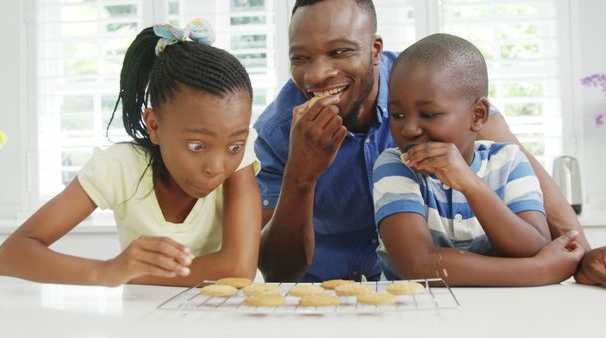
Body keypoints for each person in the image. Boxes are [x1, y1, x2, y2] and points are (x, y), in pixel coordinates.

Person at [254, 0, 606, 285]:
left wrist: (581, 256)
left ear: (375, 49)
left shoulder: (424, 83)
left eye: (339, 52)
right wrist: (300, 175)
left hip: (442, 293)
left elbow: (523, 167)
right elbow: (277, 271)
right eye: (300, 58)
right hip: (327, 294)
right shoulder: (279, 129)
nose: (317, 74)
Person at [0, 21, 261, 287]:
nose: (216, 166)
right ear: (154, 126)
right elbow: (10, 255)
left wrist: (135, 274)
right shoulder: (120, 168)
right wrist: (108, 271)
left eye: (234, 147)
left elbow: (238, 269)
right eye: (196, 146)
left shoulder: (239, 155)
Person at [374, 33, 582, 286]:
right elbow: (417, 265)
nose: (409, 129)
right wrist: (540, 270)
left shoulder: (509, 162)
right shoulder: (395, 166)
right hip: (418, 315)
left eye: (428, 114)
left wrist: (471, 185)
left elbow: (532, 246)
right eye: (397, 114)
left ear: (478, 115)